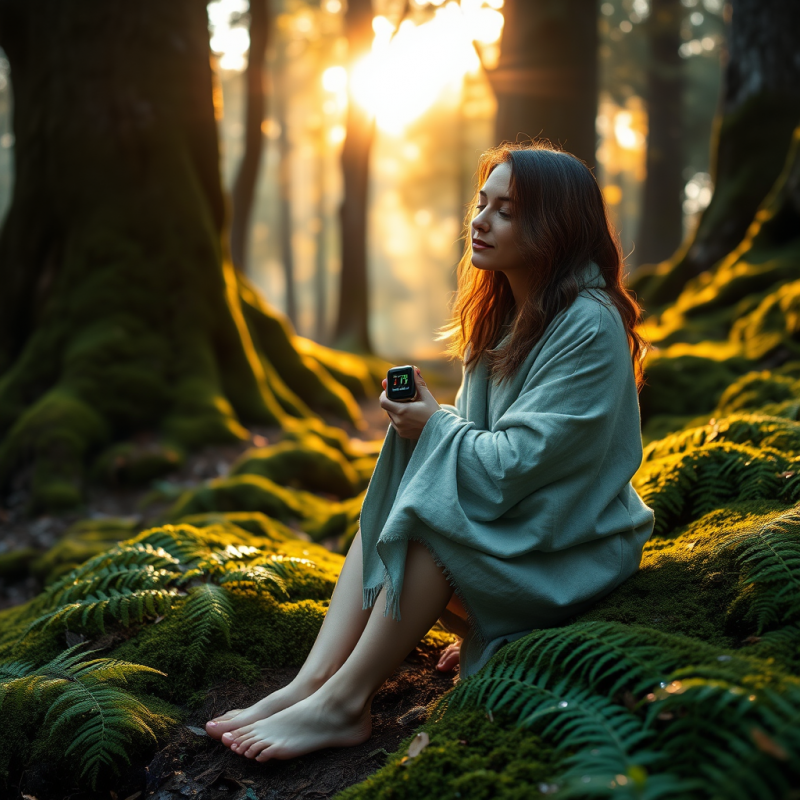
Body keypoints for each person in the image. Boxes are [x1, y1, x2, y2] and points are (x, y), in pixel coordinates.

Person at [204, 141, 655, 763]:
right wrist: (428, 425)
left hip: (573, 547)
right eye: (481, 202)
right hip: (523, 530)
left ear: (556, 226)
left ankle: (344, 704)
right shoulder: (504, 314)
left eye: (507, 210)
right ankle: (313, 683)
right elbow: (473, 447)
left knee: (427, 512)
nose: (481, 220)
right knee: (400, 493)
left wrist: (434, 425)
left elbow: (511, 467)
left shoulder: (590, 323)